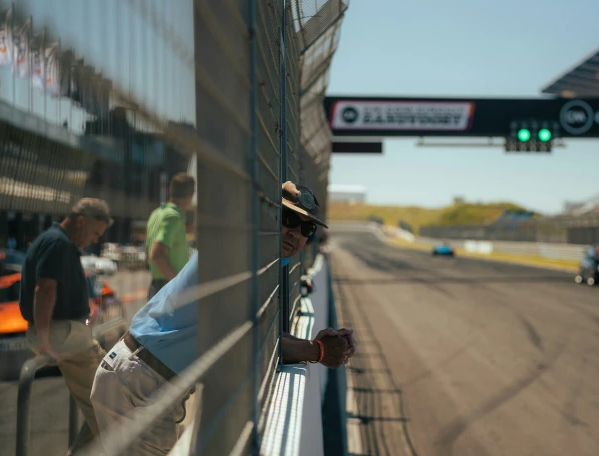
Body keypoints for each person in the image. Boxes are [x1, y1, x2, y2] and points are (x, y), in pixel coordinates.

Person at [90, 181, 357, 455]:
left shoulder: (262, 261)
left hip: (143, 377)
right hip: (138, 380)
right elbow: (248, 338)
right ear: (268, 216)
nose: (296, 233)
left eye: (307, 228)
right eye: (288, 219)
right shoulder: (238, 256)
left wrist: (316, 346)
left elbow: (264, 332)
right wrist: (318, 350)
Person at [19, 198, 113, 449]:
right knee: (112, 403)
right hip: (63, 334)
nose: (94, 240)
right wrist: (43, 339)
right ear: (81, 220)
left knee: (107, 400)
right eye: (94, 233)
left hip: (67, 332)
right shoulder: (57, 243)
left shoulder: (57, 241)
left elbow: (53, 291)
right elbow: (45, 290)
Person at [145, 173, 195, 300]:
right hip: (168, 288)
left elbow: (148, 254)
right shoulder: (173, 217)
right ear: (191, 195)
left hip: (156, 285)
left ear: (170, 190)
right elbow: (157, 254)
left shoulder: (155, 214)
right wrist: (179, 284)